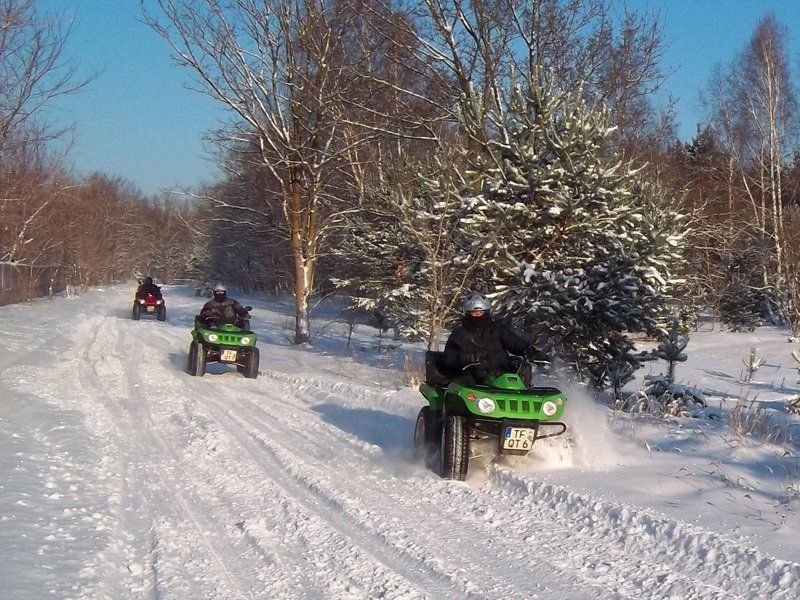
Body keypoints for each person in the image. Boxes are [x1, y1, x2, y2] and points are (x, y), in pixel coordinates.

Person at [443, 291, 548, 385]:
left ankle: (525, 396)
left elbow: (514, 343)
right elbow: (449, 357)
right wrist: (464, 358)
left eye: (481, 312)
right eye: (474, 313)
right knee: (464, 381)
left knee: (521, 367)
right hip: (475, 378)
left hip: (501, 373)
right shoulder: (459, 334)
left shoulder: (497, 329)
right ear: (467, 313)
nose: (478, 316)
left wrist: (530, 351)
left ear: (487, 312)